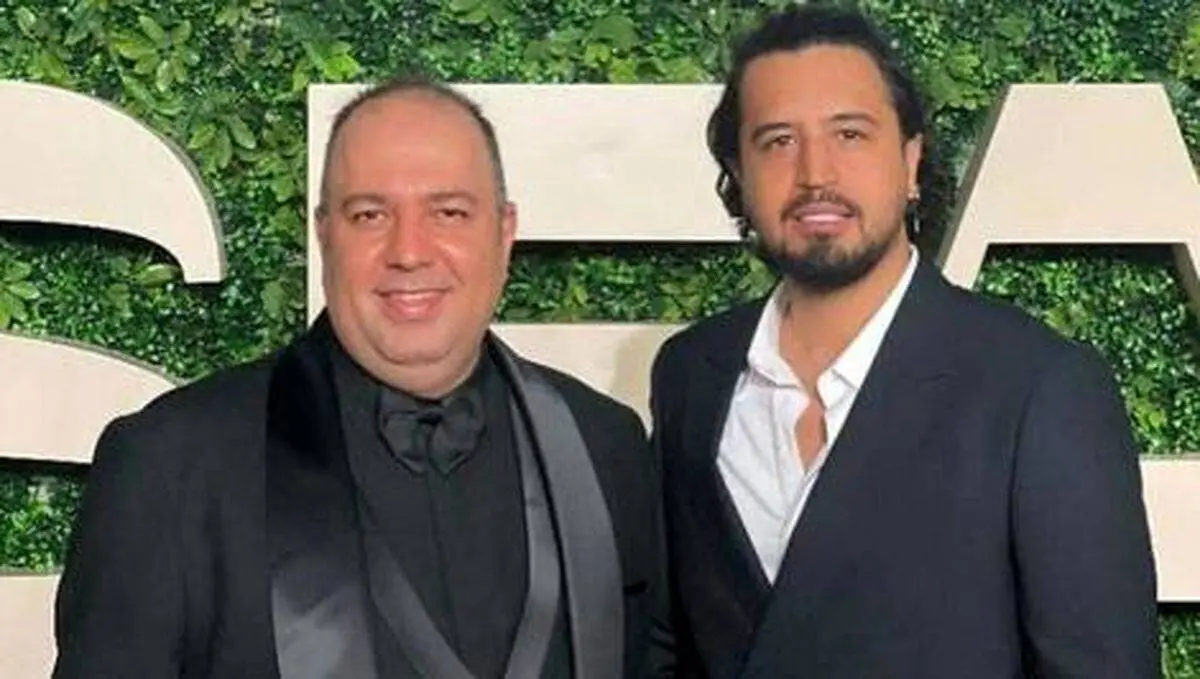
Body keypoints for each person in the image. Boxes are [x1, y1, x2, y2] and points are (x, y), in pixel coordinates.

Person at [54, 77, 668, 679]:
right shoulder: (171, 463)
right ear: (324, 234)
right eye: (370, 214)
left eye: (449, 212)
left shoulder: (606, 446)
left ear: (504, 233)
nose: (410, 251)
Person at [650, 5, 1159, 678]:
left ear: (911, 160)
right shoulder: (691, 374)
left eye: (850, 134)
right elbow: (664, 645)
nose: (815, 174)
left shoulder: (1038, 388)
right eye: (777, 141)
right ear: (737, 174)